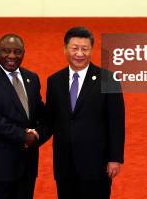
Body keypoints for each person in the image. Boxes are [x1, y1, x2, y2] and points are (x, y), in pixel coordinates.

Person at [44, 27, 125, 199]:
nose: (79, 53)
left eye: (85, 48)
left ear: (91, 50)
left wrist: (115, 158)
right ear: (65, 49)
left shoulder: (109, 79)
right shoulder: (54, 81)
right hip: (64, 164)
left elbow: (116, 122)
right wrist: (33, 136)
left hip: (96, 164)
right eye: (74, 48)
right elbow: (50, 119)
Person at [0, 33, 44, 199]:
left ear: (23, 53)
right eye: (6, 51)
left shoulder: (31, 79)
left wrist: (38, 134)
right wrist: (23, 136)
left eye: (17, 52)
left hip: (27, 166)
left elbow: (39, 112)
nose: (11, 56)